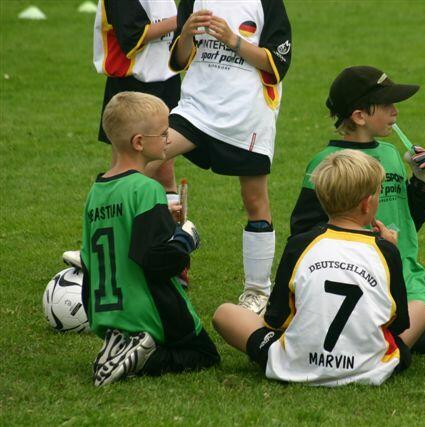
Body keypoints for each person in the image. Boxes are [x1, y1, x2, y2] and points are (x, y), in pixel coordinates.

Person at [213, 150, 419, 386]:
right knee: (420, 309)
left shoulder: (300, 244)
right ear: (366, 204)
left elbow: (276, 318)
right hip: (370, 368)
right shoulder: (386, 251)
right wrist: (390, 248)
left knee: (224, 314)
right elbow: (398, 323)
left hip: (296, 364)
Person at [143, 0, 292, 314]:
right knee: (144, 159)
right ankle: (122, 254)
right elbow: (179, 60)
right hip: (197, 109)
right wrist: (186, 33)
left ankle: (257, 291)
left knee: (254, 199)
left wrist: (232, 39)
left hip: (246, 115)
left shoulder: (267, 3)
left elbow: (277, 64)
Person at [289, 66, 425, 356]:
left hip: (402, 275)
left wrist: (424, 186)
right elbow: (303, 231)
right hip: (355, 275)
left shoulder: (391, 155)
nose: (395, 111)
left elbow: (406, 220)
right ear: (360, 116)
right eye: (386, 105)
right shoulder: (326, 163)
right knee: (407, 342)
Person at [80, 92, 220, 387]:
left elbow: (92, 254)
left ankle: (121, 343)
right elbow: (158, 261)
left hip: (106, 312)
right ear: (139, 142)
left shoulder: (97, 191)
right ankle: (145, 355)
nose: (169, 139)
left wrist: (160, 217)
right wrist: (185, 238)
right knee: (203, 354)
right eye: (164, 133)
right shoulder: (147, 189)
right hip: (147, 310)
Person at [93, 0, 180, 193]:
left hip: (167, 78)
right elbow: (133, 35)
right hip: (132, 82)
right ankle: (118, 208)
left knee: (164, 170)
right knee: (128, 166)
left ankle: (167, 212)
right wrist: (183, 18)